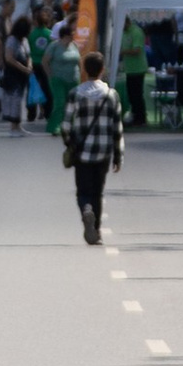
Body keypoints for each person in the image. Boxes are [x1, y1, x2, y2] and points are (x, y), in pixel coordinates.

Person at [62, 48, 122, 242]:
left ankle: (86, 209)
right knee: (98, 191)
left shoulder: (75, 94)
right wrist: (118, 155)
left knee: (83, 191)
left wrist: (70, 143)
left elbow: (65, 125)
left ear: (85, 70)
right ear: (102, 69)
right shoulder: (112, 95)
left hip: (82, 151)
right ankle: (95, 230)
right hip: (104, 151)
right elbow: (117, 127)